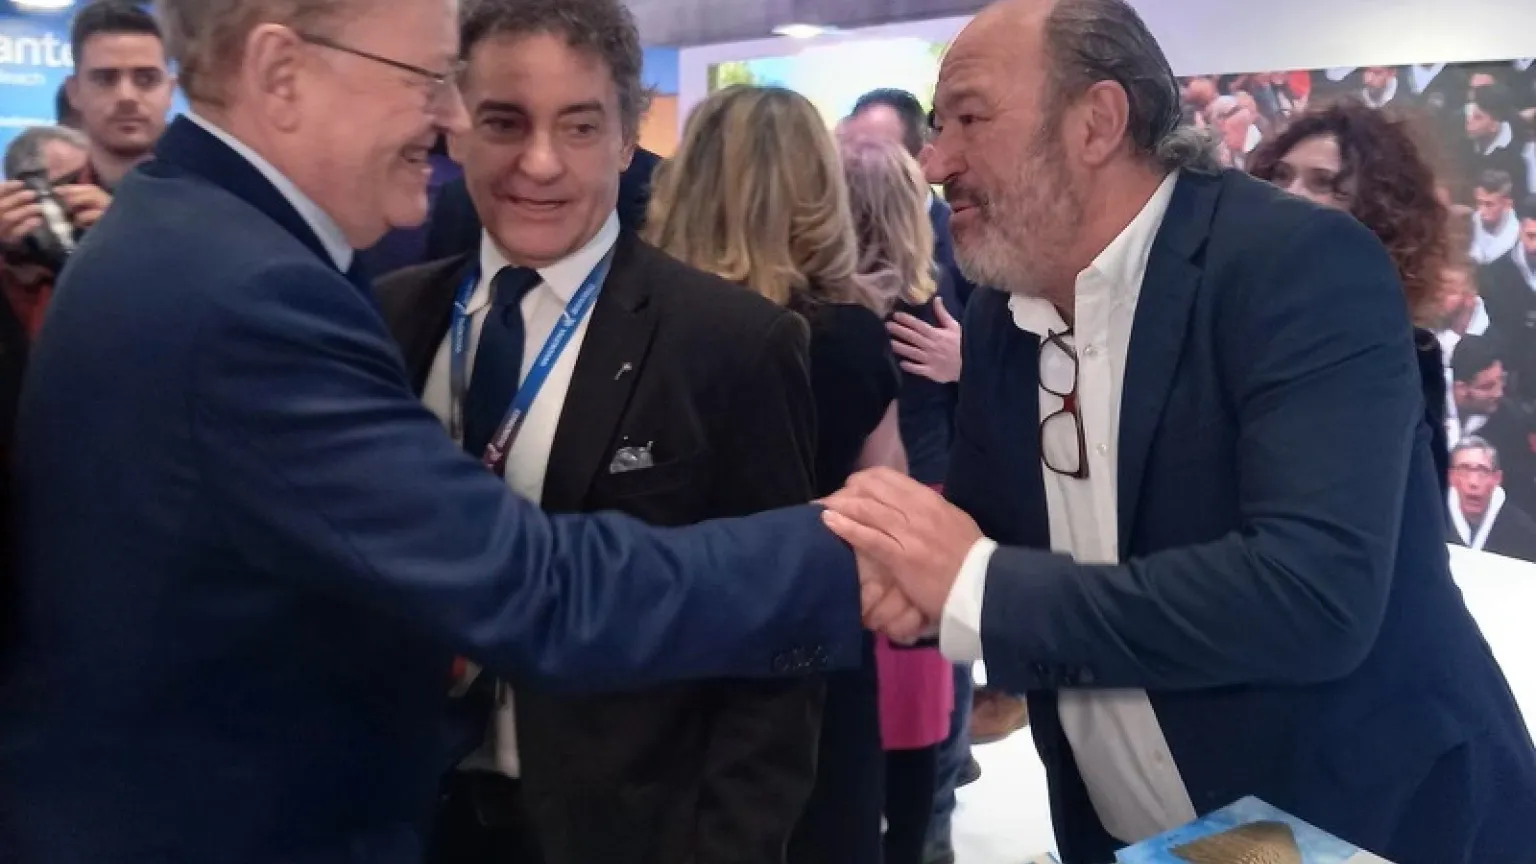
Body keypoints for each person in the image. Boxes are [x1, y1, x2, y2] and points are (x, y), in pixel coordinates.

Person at [0, 1, 869, 862]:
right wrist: (846, 556)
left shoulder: (190, 241)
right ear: (280, 73)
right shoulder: (259, 295)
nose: (449, 116)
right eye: (427, 79)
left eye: (578, 125)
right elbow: (533, 586)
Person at [821, 1, 1536, 862]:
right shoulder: (1002, 317)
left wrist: (973, 587)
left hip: (1362, 824)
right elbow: (983, 539)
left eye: (969, 119)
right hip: (1125, 832)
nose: (936, 162)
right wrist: (901, 567)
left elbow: (1312, 593)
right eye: (937, 128)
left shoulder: (1297, 264)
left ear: (1097, 121)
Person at [374, 2, 824, 861]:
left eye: (579, 127)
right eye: (505, 122)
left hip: (621, 830)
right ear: (459, 126)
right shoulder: (390, 319)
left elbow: (780, 637)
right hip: (405, 815)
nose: (539, 163)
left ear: (626, 139)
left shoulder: (728, 343)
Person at [644, 85, 906, 864]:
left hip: (664, 663)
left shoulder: (640, 334)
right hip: (816, 665)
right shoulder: (849, 338)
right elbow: (885, 505)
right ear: (819, 192)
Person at [1247, 100, 1454, 488]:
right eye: (1281, 175)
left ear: (1375, 213)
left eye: (1322, 183)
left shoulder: (1403, 353)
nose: (1288, 193)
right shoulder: (1231, 331)